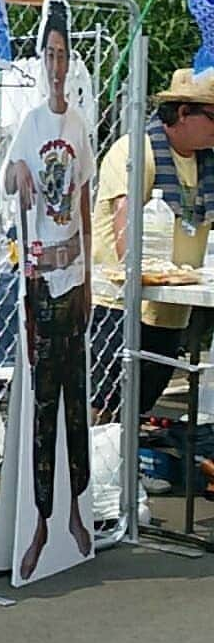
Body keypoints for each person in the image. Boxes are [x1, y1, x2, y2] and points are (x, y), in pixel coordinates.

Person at [4, 0, 93, 581]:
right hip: (40, 279)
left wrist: (86, 274)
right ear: (42, 60)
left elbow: (82, 197)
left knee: (75, 400)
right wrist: (20, 175)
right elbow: (9, 179)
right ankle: (40, 521)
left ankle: (76, 513)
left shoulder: (78, 127)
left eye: (64, 55)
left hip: (72, 274)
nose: (57, 66)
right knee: (43, 406)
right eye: (50, 55)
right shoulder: (31, 125)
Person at [92, 68, 214, 420]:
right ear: (182, 112)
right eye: (212, 116)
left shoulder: (206, 161)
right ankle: (83, 471)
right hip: (118, 305)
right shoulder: (136, 151)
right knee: (103, 402)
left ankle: (121, 470)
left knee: (140, 405)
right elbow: (124, 224)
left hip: (171, 309)